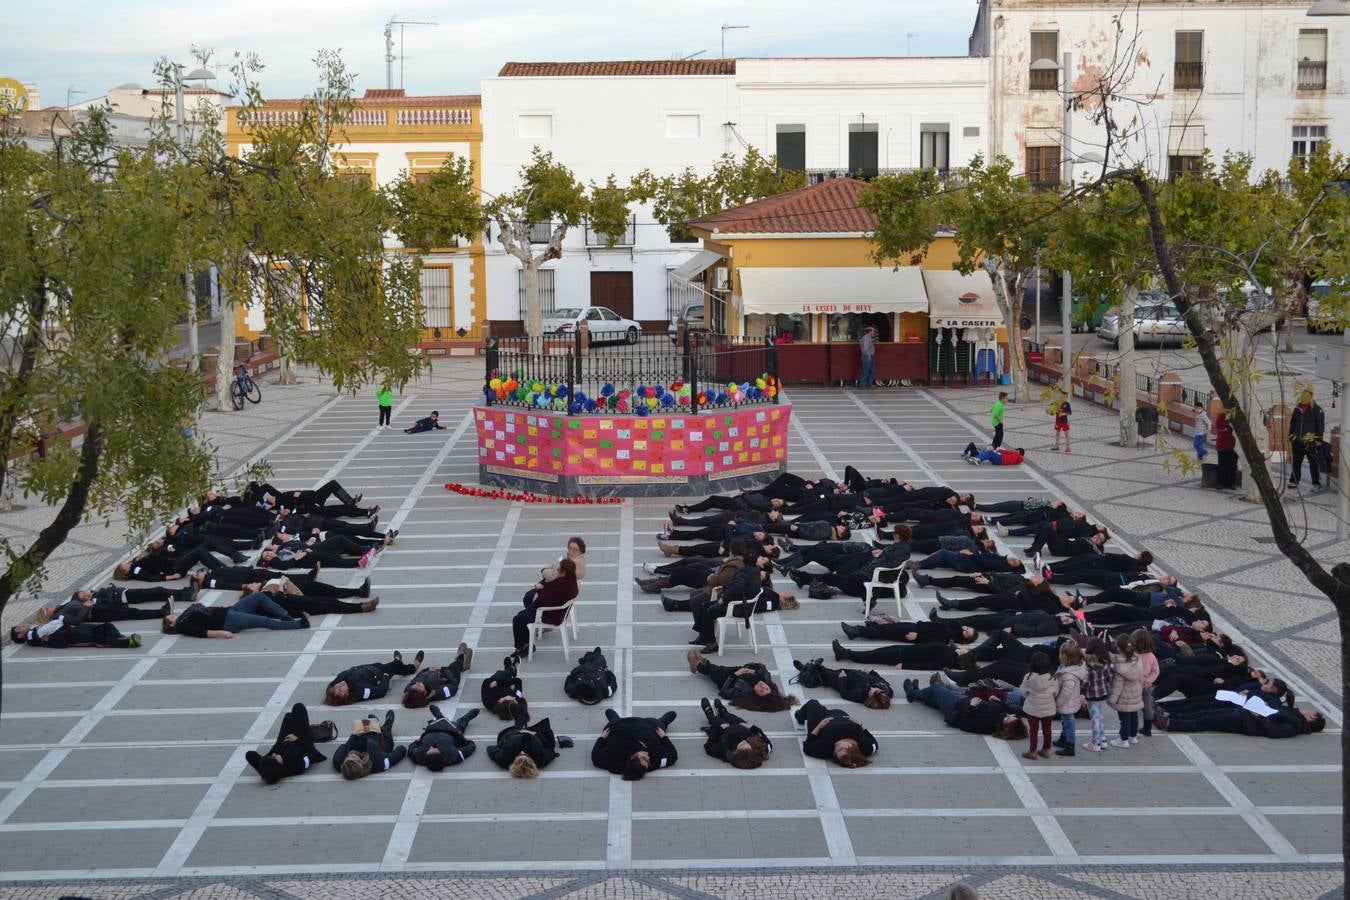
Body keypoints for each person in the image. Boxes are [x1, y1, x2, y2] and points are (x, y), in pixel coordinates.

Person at [902, 674, 1028, 740]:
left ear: (1007, 728)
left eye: (1010, 719)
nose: (1010, 715)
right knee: (934, 700)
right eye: (1013, 716)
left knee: (937, 688)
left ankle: (913, 693)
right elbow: (1011, 710)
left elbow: (965, 724)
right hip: (962, 699)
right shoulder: (1002, 713)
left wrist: (972, 707)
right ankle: (917, 693)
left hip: (955, 707)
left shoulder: (989, 726)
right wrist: (997, 701)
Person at [244, 702, 335, 784]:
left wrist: (264, 769)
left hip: (282, 744)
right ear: (279, 764)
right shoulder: (299, 765)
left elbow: (250, 755)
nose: (274, 754)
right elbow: (313, 754)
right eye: (275, 757)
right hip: (301, 743)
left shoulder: (271, 764)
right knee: (298, 708)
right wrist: (297, 740)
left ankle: (268, 772)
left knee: (289, 717)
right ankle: (309, 733)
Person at [1155, 696, 1325, 738]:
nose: (1305, 710)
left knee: (1207, 721)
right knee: (1205, 713)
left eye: (1310, 712)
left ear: (1312, 718)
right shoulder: (1294, 715)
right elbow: (1274, 713)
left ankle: (1170, 724)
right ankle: (1171, 715)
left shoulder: (1295, 724)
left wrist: (1258, 716)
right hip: (1245, 714)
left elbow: (1274, 731)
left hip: (1245, 721)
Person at [687, 651, 798, 712]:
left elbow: (724, 692)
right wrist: (753, 670)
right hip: (738, 669)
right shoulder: (765, 680)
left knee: (714, 670)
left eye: (761, 690)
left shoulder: (745, 692)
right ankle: (701, 662)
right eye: (766, 688)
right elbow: (763, 668)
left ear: (757, 695)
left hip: (726, 678)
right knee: (717, 667)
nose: (763, 686)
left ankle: (698, 665)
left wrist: (736, 674)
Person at [512, 558, 580, 657]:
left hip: (548, 615)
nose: (557, 571)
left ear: (564, 572)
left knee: (518, 619)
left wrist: (539, 588)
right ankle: (526, 643)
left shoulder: (561, 585)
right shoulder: (570, 582)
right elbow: (551, 594)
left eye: (559, 569)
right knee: (523, 612)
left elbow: (546, 599)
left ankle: (523, 647)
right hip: (556, 613)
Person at [162, 593, 309, 638]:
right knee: (264, 621)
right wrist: (222, 633)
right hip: (229, 621)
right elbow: (202, 633)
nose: (173, 615)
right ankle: (299, 624)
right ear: (172, 625)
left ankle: (287, 617)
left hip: (230, 611)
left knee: (258, 596)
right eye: (170, 618)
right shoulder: (184, 625)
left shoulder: (183, 617)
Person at [591, 709, 678, 780]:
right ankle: (663, 721)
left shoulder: (613, 759)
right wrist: (664, 737)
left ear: (632, 758)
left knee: (613, 721)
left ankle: (615, 719)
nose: (648, 757)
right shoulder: (655, 760)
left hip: (619, 725)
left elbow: (595, 758)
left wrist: (601, 738)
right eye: (648, 762)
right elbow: (673, 756)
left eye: (644, 758)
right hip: (648, 725)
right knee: (661, 723)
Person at [794, 698, 876, 767]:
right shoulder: (865, 747)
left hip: (820, 720)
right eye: (840, 748)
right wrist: (859, 724)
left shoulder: (826, 747)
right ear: (851, 747)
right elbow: (874, 742)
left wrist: (819, 727)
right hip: (838, 714)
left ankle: (800, 715)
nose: (836, 747)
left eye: (836, 752)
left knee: (812, 703)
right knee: (818, 706)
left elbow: (807, 748)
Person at [792, 657, 895, 709]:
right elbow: (882, 680)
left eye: (870, 693)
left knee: (826, 675)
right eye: (874, 690)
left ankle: (804, 670)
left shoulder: (860, 696)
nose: (871, 689)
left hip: (843, 679)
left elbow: (845, 693)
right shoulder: (888, 690)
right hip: (853, 673)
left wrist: (843, 679)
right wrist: (872, 672)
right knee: (829, 671)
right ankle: (819, 667)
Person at [324, 651, 423, 704]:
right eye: (340, 690)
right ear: (347, 695)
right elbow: (380, 692)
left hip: (369, 668)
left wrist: (331, 689)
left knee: (386, 665)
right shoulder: (360, 691)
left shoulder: (338, 683)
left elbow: (334, 683)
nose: (338, 686)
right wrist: (385, 678)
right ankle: (412, 667)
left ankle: (397, 661)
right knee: (395, 666)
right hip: (379, 674)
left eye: (336, 688)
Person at [700, 697, 773, 769]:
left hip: (723, 731)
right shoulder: (762, 749)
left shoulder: (726, 753)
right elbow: (766, 740)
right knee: (730, 717)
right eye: (747, 743)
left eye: (741, 746)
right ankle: (722, 711)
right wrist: (752, 727)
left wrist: (718, 729)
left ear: (737, 753)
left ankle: (709, 713)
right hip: (740, 727)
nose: (744, 741)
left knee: (716, 721)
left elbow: (708, 746)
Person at [332, 710, 406, 779]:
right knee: (386, 730)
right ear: (361, 763)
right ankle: (387, 722)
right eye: (354, 758)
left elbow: (342, 746)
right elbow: (399, 752)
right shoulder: (377, 763)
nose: (351, 755)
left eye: (347, 758)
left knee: (367, 722)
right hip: (380, 738)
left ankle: (373, 722)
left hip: (360, 731)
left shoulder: (338, 761)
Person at [487, 713, 562, 778]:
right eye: (526, 757)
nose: (522, 752)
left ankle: (520, 723)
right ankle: (523, 723)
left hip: (512, 733)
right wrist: (536, 734)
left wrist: (502, 745)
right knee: (550, 743)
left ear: (514, 763)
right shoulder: (540, 759)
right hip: (534, 734)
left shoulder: (505, 759)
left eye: (519, 759)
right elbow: (550, 751)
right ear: (533, 763)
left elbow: (491, 749)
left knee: (518, 726)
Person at [408, 705, 479, 770]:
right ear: (441, 755)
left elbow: (410, 749)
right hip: (451, 732)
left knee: (439, 720)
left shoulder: (417, 757)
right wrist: (465, 740)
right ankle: (466, 718)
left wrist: (417, 742)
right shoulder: (453, 756)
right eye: (435, 749)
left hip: (432, 730)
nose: (431, 747)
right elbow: (470, 748)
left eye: (428, 750)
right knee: (460, 724)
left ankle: (438, 715)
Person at [403, 643, 473, 707]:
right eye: (418, 686)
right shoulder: (438, 692)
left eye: (414, 686)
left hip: (434, 671)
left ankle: (462, 662)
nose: (417, 683)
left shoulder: (410, 689)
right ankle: (461, 658)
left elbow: (418, 676)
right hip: (450, 675)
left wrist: (428, 669)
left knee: (451, 667)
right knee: (454, 666)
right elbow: (454, 687)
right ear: (424, 693)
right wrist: (443, 670)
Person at [1107, 632, 1144, 749]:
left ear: (1119, 648)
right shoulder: (1137, 660)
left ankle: (1123, 740)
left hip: (1123, 698)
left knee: (1124, 720)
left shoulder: (1119, 668)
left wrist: (1111, 700)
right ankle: (1133, 737)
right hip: (1136, 695)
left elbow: (1117, 686)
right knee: (1134, 716)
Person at [1019, 651, 1057, 761]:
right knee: (1047, 730)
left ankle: (1033, 751)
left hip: (1033, 708)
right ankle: (1046, 750)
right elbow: (1055, 692)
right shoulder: (1052, 678)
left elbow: (1024, 692)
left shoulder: (1029, 677)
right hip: (1048, 708)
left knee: (1033, 730)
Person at [11, 619, 141, 649]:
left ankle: (119, 637)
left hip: (71, 629)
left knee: (106, 626)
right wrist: (50, 628)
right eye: (20, 628)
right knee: (98, 639)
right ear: (20, 635)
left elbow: (55, 623)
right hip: (69, 637)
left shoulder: (35, 631)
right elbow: (53, 625)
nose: (23, 626)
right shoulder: (32, 636)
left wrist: (52, 627)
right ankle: (127, 643)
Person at [1052, 641, 1086, 757]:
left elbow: (1066, 692)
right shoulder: (1073, 668)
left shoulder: (1069, 675)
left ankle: (1070, 746)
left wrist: (1057, 703)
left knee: (1069, 722)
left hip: (1067, 703)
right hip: (1071, 702)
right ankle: (1063, 738)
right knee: (1065, 721)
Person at [1081, 637, 1114, 752]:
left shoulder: (1088, 664)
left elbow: (1086, 682)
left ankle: (1095, 743)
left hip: (1092, 695)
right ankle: (1103, 740)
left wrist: (1082, 694)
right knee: (1100, 717)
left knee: (1095, 719)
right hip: (1103, 693)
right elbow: (1110, 677)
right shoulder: (1106, 662)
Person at [1288, 390, 1324, 491]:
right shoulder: (1297, 409)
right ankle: (1294, 480)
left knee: (1313, 463)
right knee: (1296, 462)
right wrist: (1291, 436)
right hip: (1297, 441)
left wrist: (1318, 439)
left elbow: (1320, 426)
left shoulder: (1317, 410)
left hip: (1310, 442)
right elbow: (1292, 424)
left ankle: (1316, 483)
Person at [1214, 408, 1239, 489]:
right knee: (1222, 465)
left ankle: (1231, 484)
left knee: (1232, 465)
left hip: (1234, 445)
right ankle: (1220, 483)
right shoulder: (1221, 415)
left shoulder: (1237, 417)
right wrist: (1228, 425)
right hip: (1222, 445)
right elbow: (1218, 425)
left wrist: (1226, 427)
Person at [857, 325, 877, 389]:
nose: (874, 332)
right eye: (873, 331)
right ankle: (862, 385)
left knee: (871, 370)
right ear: (869, 331)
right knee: (866, 371)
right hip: (867, 356)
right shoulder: (866, 338)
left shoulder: (868, 337)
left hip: (869, 356)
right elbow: (865, 348)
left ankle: (869, 383)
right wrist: (868, 356)